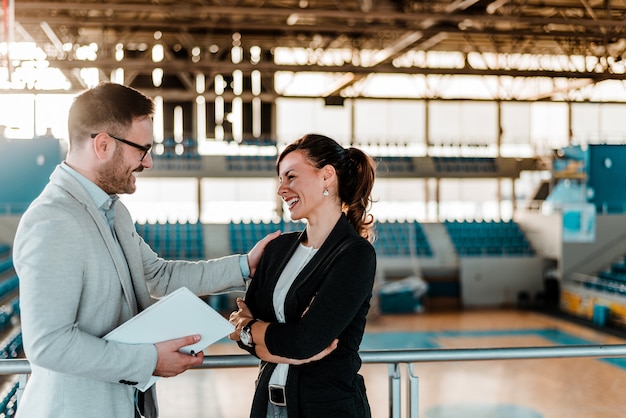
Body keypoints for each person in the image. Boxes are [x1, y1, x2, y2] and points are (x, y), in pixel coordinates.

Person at [12, 81, 279, 418]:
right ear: (104, 145)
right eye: (142, 149)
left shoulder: (113, 212)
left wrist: (246, 266)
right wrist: (150, 359)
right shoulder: (53, 220)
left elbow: (157, 275)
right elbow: (49, 345)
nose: (148, 162)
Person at [229, 133, 377, 417]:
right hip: (268, 406)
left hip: (326, 409)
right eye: (280, 179)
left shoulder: (355, 254)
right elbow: (246, 332)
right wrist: (257, 333)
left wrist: (254, 330)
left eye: (291, 177)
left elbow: (305, 341)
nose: (281, 189)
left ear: (327, 176)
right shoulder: (277, 249)